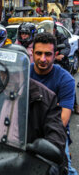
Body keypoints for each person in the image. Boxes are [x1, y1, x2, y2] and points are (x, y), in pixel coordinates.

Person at [30, 32, 77, 175]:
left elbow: (63, 119)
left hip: (54, 134)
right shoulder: (22, 73)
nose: (43, 59)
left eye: (48, 54)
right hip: (26, 129)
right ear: (32, 53)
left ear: (55, 54)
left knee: (63, 169)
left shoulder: (66, 80)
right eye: (38, 53)